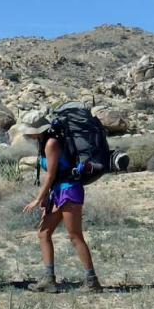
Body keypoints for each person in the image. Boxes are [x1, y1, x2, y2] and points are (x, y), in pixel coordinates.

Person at [20, 114, 102, 293]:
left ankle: (92, 281)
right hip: (58, 191)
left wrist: (38, 198)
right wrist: (48, 196)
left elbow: (50, 175)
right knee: (43, 233)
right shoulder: (45, 143)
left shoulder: (51, 144)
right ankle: (49, 279)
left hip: (69, 190)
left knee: (75, 236)